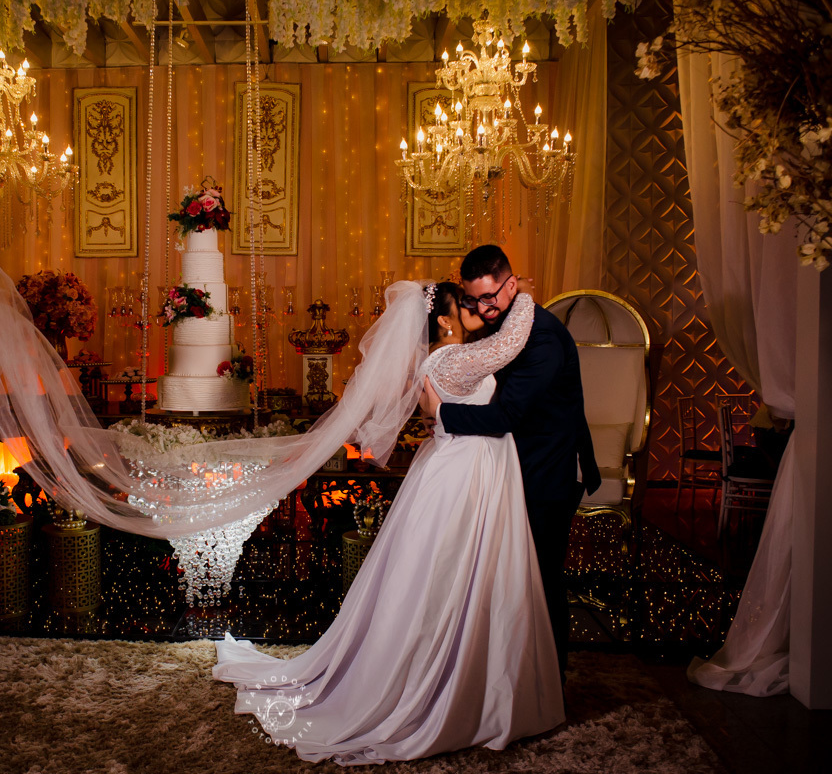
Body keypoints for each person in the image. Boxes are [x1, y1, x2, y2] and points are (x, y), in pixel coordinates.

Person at [212, 282, 565, 765]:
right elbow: (510, 343)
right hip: (465, 474)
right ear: (444, 321)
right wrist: (516, 293)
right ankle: (446, 682)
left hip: (464, 468)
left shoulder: (439, 362)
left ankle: (468, 673)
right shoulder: (450, 361)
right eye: (465, 304)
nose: (475, 309)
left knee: (460, 574)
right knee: (452, 574)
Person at [422, 246, 601, 681]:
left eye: (491, 297)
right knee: (512, 579)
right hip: (517, 468)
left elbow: (508, 416)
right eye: (473, 299)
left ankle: (547, 683)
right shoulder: (505, 328)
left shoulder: (540, 337)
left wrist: (440, 414)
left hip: (548, 472)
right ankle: (509, 678)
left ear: (512, 283)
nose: (484, 308)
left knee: (540, 581)